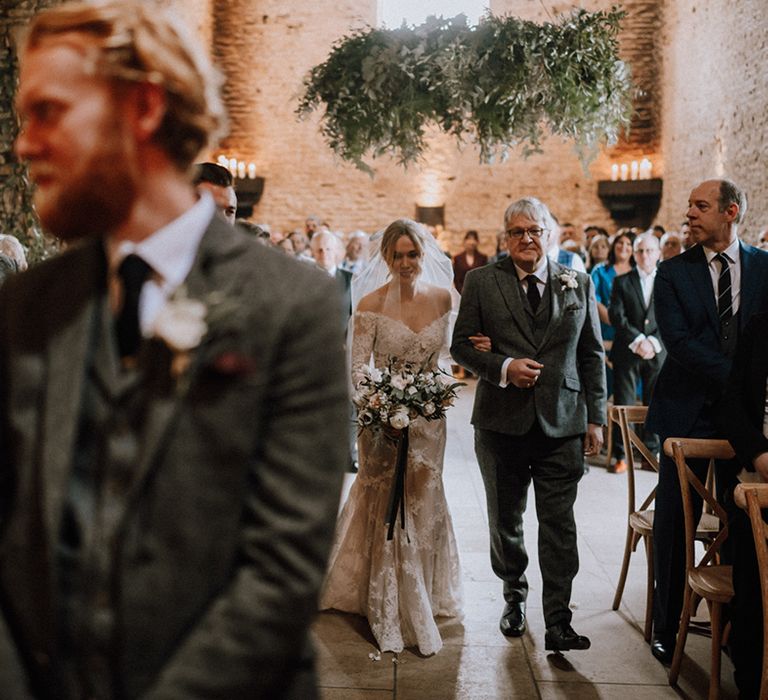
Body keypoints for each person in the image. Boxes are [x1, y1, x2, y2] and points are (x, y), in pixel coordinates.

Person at [4, 2, 349, 698]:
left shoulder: (294, 308)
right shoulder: (25, 308)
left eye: (49, 112)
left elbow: (281, 573)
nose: (24, 145)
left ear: (143, 107)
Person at [451, 196, 606, 652]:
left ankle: (559, 618)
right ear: (505, 239)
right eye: (517, 232)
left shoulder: (577, 281)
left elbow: (591, 354)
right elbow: (461, 346)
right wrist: (502, 367)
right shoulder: (482, 281)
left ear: (549, 235)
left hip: (563, 421)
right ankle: (513, 596)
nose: (527, 239)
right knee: (506, 520)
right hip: (502, 425)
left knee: (559, 525)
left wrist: (596, 418)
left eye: (535, 231)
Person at [321, 219, 462, 656]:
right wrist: (382, 407)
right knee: (384, 499)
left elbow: (444, 362)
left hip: (428, 424)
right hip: (381, 422)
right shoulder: (369, 303)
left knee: (423, 498)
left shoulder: (443, 299)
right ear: (385, 258)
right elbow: (358, 371)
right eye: (397, 255)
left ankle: (423, 587)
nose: (406, 263)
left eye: (412, 254)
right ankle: (384, 598)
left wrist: (431, 395)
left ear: (424, 255)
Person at [646, 178, 768, 665]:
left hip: (746, 421)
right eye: (689, 205)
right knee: (677, 522)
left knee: (744, 520)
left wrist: (746, 391)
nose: (690, 214)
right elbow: (678, 342)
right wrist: (739, 375)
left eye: (701, 206)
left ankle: (740, 627)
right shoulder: (673, 273)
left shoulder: (763, 267)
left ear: (730, 212)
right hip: (687, 414)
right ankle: (667, 624)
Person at [717, 310, 768, 699]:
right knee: (752, 588)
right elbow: (731, 402)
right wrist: (758, 454)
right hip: (758, 475)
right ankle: (753, 679)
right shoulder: (760, 323)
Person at [608, 233, 665, 472]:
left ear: (658, 253)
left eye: (650, 251)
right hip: (628, 351)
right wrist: (639, 340)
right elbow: (616, 316)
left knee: (655, 403)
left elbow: (672, 317)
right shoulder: (622, 281)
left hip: (657, 351)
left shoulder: (667, 282)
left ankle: (650, 454)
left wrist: (653, 342)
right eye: (640, 251)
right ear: (635, 254)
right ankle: (623, 455)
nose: (645, 255)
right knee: (625, 403)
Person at [591, 230, 635, 432]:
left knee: (629, 390)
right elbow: (594, 298)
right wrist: (613, 319)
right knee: (603, 384)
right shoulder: (601, 270)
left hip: (632, 333)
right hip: (606, 328)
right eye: (619, 243)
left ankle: (631, 436)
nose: (623, 247)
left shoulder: (637, 270)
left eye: (628, 244)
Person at [452, 230, 488, 294]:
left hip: (479, 293)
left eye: (474, 239)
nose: (471, 242)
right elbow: (456, 279)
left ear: (477, 242)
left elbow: (484, 277)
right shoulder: (457, 258)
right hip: (461, 293)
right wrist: (462, 292)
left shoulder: (483, 258)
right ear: (464, 241)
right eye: (469, 239)